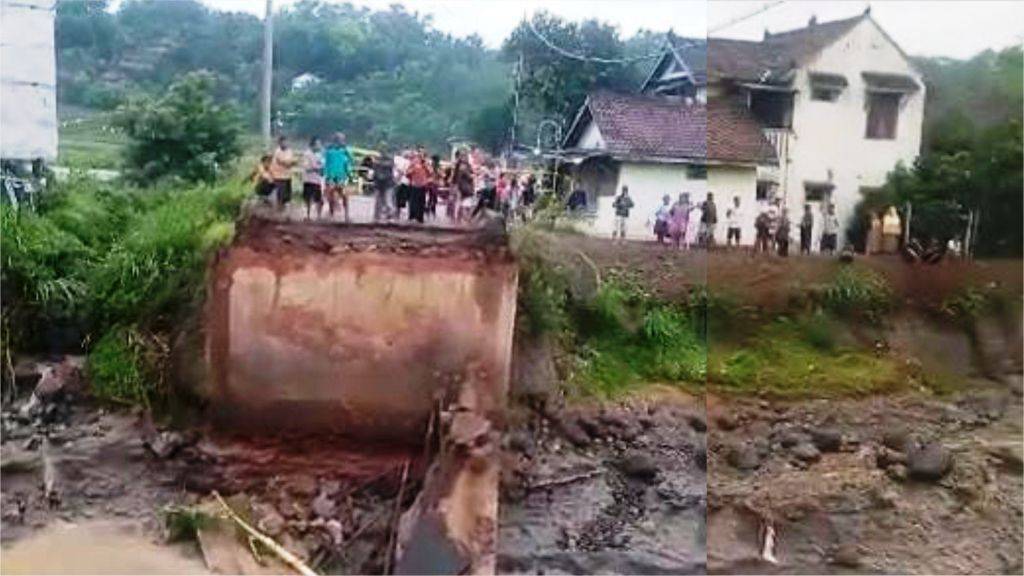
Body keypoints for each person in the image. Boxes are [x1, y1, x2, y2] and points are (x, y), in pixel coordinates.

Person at [323, 133, 354, 221]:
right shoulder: (329, 151)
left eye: (343, 140)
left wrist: (349, 174)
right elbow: (326, 164)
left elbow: (350, 161)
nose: (342, 141)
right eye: (340, 139)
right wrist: (327, 175)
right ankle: (331, 213)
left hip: (341, 176)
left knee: (344, 196)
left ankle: (346, 215)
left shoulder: (344, 151)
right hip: (332, 176)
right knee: (331, 196)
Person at [270, 136, 297, 209]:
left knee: (287, 195)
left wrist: (292, 163)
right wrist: (291, 163)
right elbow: (283, 163)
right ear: (279, 143)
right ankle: (279, 208)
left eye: (286, 142)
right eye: (283, 142)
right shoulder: (277, 152)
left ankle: (284, 208)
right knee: (281, 194)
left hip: (287, 175)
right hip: (279, 176)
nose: (284, 143)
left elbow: (292, 161)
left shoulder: (290, 151)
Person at [405, 149, 431, 223]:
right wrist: (413, 170)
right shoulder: (413, 162)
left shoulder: (426, 163)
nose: (421, 155)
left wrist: (425, 165)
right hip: (414, 185)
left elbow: (431, 172)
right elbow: (407, 172)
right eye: (420, 153)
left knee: (422, 202)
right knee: (413, 202)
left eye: (423, 153)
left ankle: (420, 218)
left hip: (423, 185)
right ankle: (412, 216)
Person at [301, 137, 324, 220]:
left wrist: (318, 169)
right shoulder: (307, 154)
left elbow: (322, 166)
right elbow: (307, 167)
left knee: (319, 200)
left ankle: (319, 216)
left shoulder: (319, 155)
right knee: (308, 199)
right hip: (308, 180)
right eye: (318, 144)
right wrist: (316, 168)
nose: (319, 146)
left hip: (317, 180)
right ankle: (307, 215)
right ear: (313, 145)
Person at [450, 149, 475, 222]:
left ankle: (457, 216)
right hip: (463, 185)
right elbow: (467, 176)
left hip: (460, 185)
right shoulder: (463, 166)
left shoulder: (460, 165)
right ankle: (459, 216)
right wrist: (472, 176)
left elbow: (456, 175)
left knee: (459, 201)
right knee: (460, 201)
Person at [393, 150, 411, 217]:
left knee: (398, 198)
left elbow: (401, 171)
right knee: (399, 199)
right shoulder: (405, 161)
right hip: (402, 182)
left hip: (402, 182)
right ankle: (397, 212)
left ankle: (397, 212)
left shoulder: (405, 161)